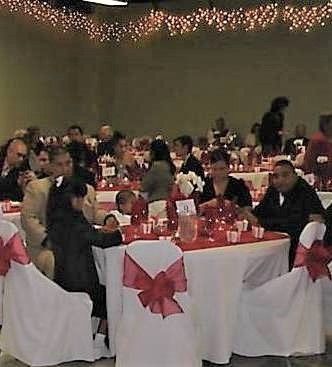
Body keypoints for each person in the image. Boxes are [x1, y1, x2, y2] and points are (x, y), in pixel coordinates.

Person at [47, 178, 122, 344]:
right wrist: (118, 233)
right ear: (71, 199)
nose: (83, 202)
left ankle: (96, 335)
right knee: (113, 296)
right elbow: (103, 241)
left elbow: (89, 234)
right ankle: (101, 341)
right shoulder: (73, 223)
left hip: (63, 279)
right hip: (81, 284)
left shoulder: (56, 219)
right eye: (80, 198)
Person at [21, 146, 107, 263]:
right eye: (59, 165)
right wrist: (46, 239)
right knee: (57, 260)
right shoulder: (37, 188)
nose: (65, 168)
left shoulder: (85, 188)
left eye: (68, 163)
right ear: (50, 166)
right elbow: (28, 218)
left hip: (79, 244)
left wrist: (108, 218)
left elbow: (95, 212)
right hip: (46, 248)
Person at [252, 160, 325, 268]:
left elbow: (292, 224)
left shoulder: (305, 193)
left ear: (295, 176)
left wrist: (261, 222)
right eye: (276, 176)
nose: (280, 180)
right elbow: (260, 212)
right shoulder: (273, 190)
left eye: (285, 175)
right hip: (273, 246)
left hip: (297, 254)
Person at [199, 148, 252, 213]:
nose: (218, 172)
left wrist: (233, 207)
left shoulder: (238, 185)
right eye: (214, 169)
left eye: (222, 169)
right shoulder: (203, 185)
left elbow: (249, 208)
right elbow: (193, 210)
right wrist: (208, 205)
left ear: (228, 168)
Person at [141, 139, 175, 218]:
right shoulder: (168, 165)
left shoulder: (156, 167)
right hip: (168, 202)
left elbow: (144, 186)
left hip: (157, 204)